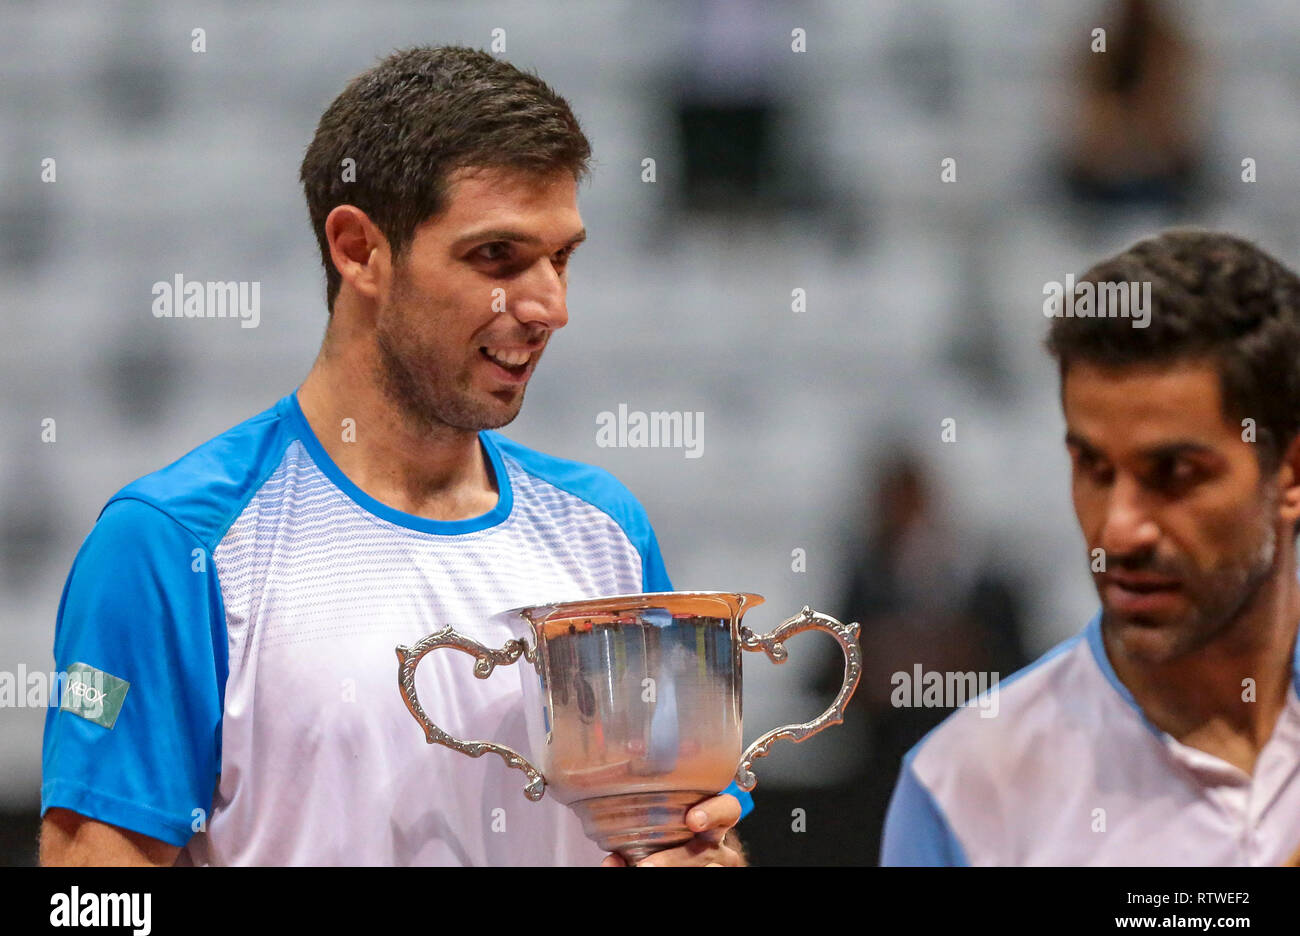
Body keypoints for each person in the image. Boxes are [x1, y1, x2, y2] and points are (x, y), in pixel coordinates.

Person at [39, 46, 748, 866]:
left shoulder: (607, 533)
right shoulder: (171, 544)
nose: (551, 306)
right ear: (358, 250)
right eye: (498, 258)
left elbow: (693, 844)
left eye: (561, 258)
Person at [882, 229, 1300, 865]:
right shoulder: (963, 784)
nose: (1118, 531)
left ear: (1289, 475)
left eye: (1175, 474)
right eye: (1095, 470)